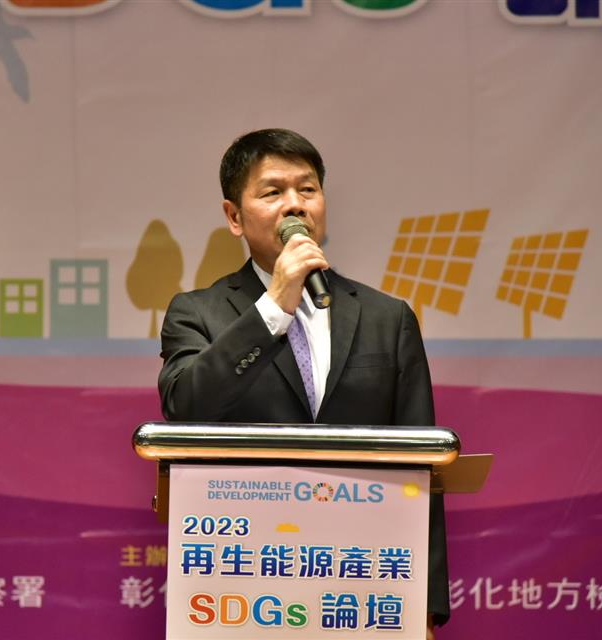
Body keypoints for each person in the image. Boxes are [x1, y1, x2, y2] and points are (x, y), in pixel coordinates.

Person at [157, 128, 449, 638]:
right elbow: (186, 404)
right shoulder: (197, 313)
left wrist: (426, 608)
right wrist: (274, 305)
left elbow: (424, 468)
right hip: (244, 586)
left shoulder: (388, 318)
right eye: (273, 192)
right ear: (234, 216)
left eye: (308, 189)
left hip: (362, 582)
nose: (295, 205)